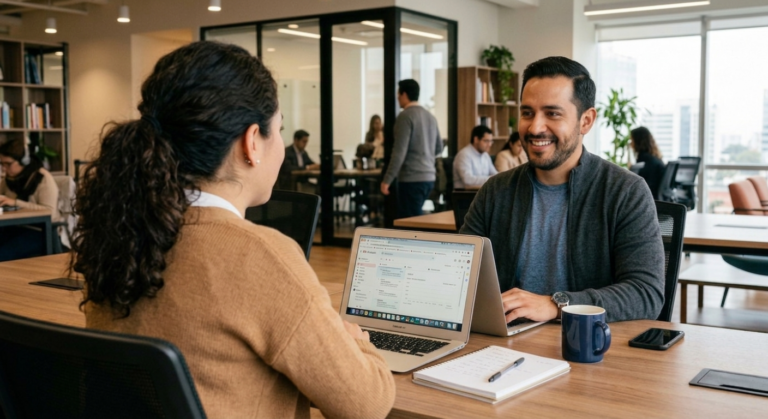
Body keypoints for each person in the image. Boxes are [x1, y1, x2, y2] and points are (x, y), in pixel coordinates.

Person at [71, 41, 394, 419]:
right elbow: (367, 404)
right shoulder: (262, 256)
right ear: (251, 142)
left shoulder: (121, 234)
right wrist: (358, 343)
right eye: (279, 132)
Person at [459, 56, 664, 323]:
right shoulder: (497, 190)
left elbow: (646, 293)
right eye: (527, 113)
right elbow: (459, 274)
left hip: (588, 347)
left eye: (552, 113)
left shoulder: (625, 191)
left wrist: (558, 304)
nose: (535, 127)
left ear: (586, 121)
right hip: (506, 345)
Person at [381, 79, 442, 218]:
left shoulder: (405, 116)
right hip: (429, 178)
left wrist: (387, 180)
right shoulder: (430, 117)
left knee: (411, 225)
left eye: (398, 93)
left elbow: (399, 152)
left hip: (411, 179)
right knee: (416, 220)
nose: (397, 97)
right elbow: (439, 147)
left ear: (404, 94)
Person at [0, 139, 61, 261]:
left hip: (40, 231)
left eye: (8, 164)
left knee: (3, 254)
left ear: (24, 161)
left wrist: (15, 203)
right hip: (15, 227)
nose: (4, 169)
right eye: (2, 164)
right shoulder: (8, 180)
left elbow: (50, 211)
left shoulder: (42, 178)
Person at [453, 125, 498, 189]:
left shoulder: (485, 155)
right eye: (486, 141)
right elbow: (468, 180)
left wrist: (498, 178)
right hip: (465, 194)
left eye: (491, 141)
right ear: (476, 139)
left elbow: (495, 174)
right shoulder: (464, 155)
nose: (489, 145)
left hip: (481, 191)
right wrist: (492, 178)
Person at [630, 126, 666, 198]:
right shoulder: (654, 158)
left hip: (650, 200)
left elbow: (638, 186)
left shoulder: (644, 161)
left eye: (632, 140)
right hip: (657, 200)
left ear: (638, 141)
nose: (631, 144)